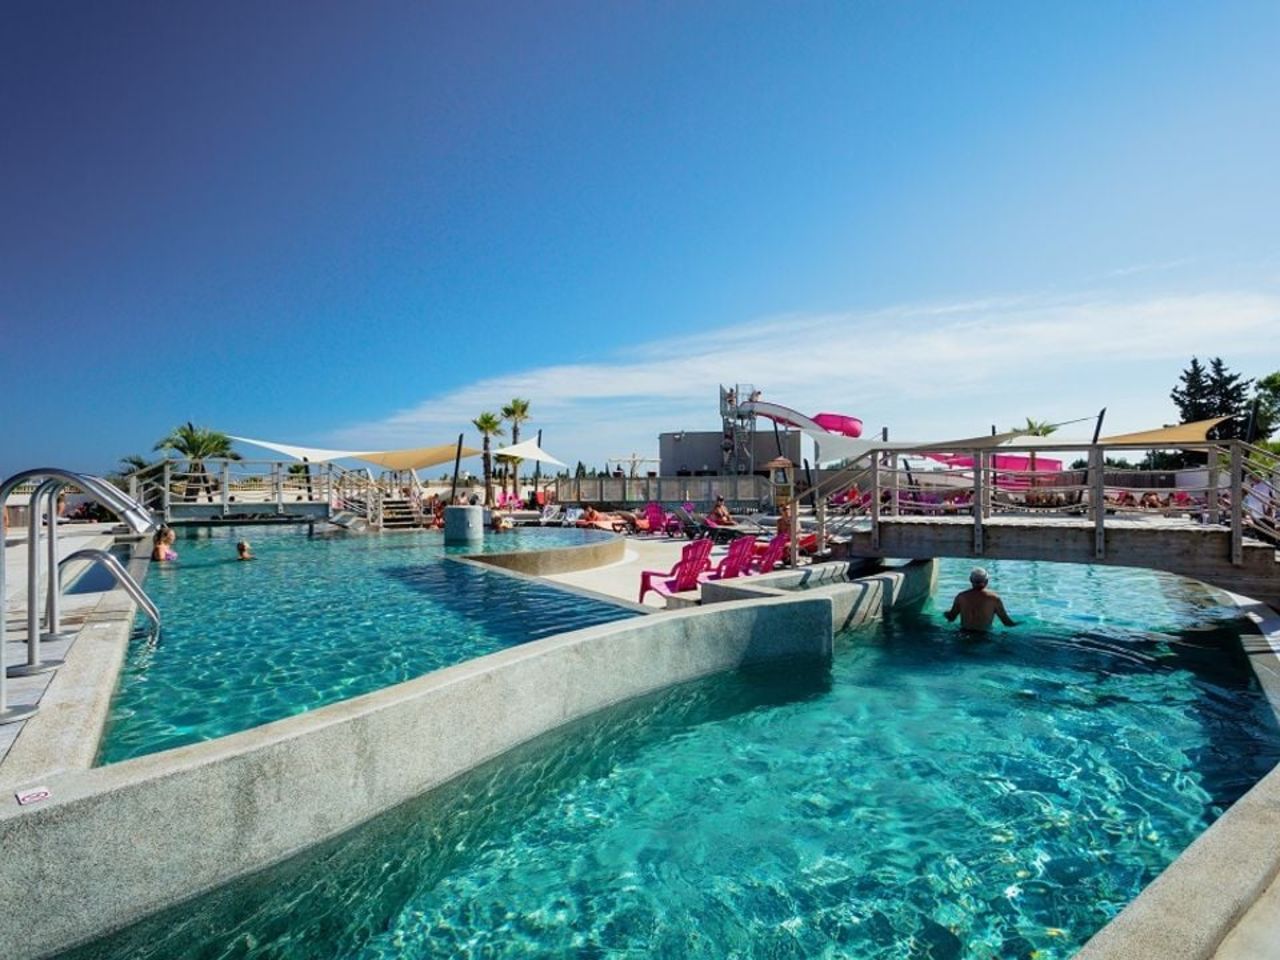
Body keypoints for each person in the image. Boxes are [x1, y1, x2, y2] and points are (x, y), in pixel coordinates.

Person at [944, 568, 1016, 631]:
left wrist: (945, 614)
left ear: (970, 580)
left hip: (964, 633)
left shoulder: (961, 597)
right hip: (984, 636)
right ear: (986, 581)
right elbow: (1007, 623)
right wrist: (1019, 623)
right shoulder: (994, 599)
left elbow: (951, 618)